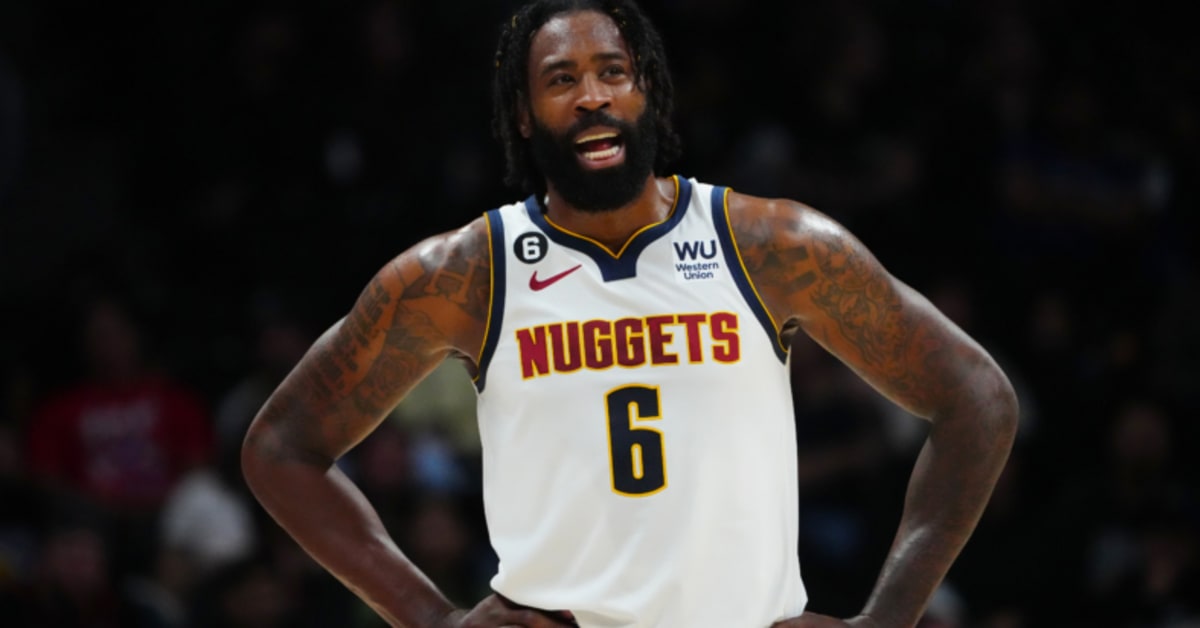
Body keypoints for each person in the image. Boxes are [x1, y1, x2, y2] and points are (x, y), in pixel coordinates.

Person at [241, 1, 1019, 626]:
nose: (593, 96)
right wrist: (431, 616)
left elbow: (978, 399)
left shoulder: (771, 246)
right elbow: (281, 447)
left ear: (647, 91)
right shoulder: (467, 275)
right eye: (561, 79)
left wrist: (886, 618)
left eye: (613, 71)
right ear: (523, 114)